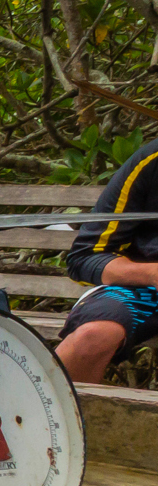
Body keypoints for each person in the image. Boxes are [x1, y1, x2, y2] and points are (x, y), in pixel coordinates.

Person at [56, 137, 158, 387]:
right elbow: (86, 257)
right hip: (147, 291)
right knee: (94, 335)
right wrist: (153, 274)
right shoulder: (151, 161)